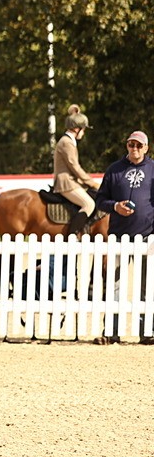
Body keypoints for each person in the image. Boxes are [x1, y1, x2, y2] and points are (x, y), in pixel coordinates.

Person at [93, 130, 154, 345]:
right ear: (126, 146)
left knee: (147, 286)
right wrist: (115, 206)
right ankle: (111, 331)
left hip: (147, 238)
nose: (134, 148)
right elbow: (100, 200)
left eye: (139, 145)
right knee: (114, 285)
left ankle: (147, 332)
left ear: (146, 148)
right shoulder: (114, 170)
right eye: (131, 144)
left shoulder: (153, 169)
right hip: (118, 238)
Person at [52, 104, 100, 237]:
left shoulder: (69, 141)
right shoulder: (66, 142)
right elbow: (74, 166)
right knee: (89, 204)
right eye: (83, 130)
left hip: (71, 181)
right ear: (77, 129)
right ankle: (71, 237)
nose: (84, 133)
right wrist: (92, 183)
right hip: (66, 183)